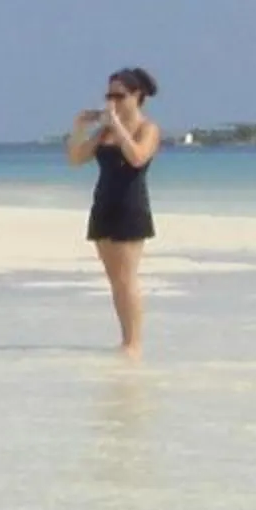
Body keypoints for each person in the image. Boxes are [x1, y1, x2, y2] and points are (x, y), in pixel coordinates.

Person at [66, 67, 161, 355]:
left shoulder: (148, 129)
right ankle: (124, 339)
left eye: (119, 96)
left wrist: (117, 125)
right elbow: (76, 158)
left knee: (127, 277)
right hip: (103, 205)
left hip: (130, 207)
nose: (112, 101)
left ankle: (135, 342)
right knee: (113, 279)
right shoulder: (105, 131)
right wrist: (81, 127)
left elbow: (137, 157)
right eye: (109, 95)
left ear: (137, 96)